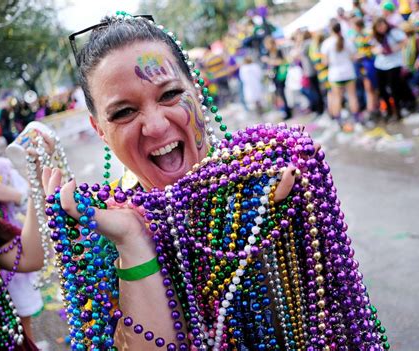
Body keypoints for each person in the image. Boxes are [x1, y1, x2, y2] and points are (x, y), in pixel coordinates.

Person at [42, 15, 297, 349]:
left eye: (170, 94)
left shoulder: (267, 187)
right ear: (99, 130)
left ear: (197, 89)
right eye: (123, 113)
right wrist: (132, 242)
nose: (156, 127)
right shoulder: (98, 234)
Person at [0, 157, 44, 344]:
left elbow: (29, 259)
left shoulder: (2, 170)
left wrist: (31, 188)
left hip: (12, 275)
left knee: (22, 325)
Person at [372, 16, 415, 120]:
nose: (381, 28)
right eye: (378, 27)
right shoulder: (377, 36)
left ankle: (398, 112)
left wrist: (392, 49)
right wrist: (377, 51)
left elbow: (405, 41)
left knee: (394, 89)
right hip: (381, 64)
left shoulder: (393, 31)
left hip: (394, 63)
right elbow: (372, 47)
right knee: (381, 89)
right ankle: (388, 110)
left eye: (382, 25)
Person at [321, 21, 360, 127]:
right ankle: (356, 119)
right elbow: (354, 57)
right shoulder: (348, 41)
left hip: (335, 74)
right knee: (352, 96)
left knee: (337, 98)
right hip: (349, 72)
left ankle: (338, 121)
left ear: (331, 30)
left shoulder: (327, 43)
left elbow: (324, 62)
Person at [262, 36, 293, 119]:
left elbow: (281, 62)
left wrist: (269, 61)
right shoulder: (268, 53)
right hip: (273, 76)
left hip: (281, 75)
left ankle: (287, 111)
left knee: (282, 93)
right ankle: (284, 110)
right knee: (278, 94)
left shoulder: (278, 51)